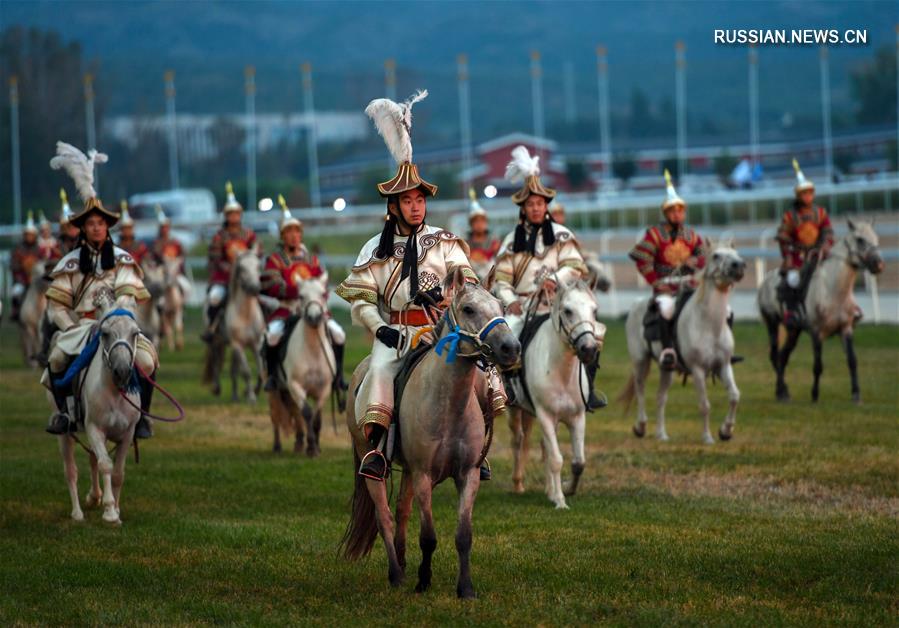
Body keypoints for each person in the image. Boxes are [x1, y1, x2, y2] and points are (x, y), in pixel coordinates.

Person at [335, 90, 491, 481]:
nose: (416, 206)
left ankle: (478, 450)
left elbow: (466, 277)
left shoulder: (445, 241)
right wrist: (380, 328)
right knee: (382, 373)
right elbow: (362, 301)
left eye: (420, 200)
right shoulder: (374, 248)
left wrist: (450, 292)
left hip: (442, 330)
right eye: (408, 201)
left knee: (486, 375)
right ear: (394, 206)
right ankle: (377, 452)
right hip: (397, 333)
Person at [43, 141, 157, 438]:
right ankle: (65, 414)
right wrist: (69, 327)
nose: (96, 228)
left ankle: (141, 416)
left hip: (118, 325)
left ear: (108, 227)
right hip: (82, 328)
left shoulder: (122, 260)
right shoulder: (69, 263)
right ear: (83, 228)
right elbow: (56, 306)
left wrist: (115, 317)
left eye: (101, 223)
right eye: (91, 224)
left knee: (147, 359)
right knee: (56, 359)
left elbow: (129, 295)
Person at [490, 146, 604, 410]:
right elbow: (501, 280)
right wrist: (511, 300)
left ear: (546, 205)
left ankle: (589, 390)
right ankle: (510, 390)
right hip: (525, 306)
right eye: (531, 204)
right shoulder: (511, 242)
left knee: (592, 335)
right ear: (523, 208)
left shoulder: (562, 235)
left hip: (560, 304)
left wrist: (555, 278)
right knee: (509, 340)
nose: (536, 208)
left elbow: (576, 265)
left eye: (540, 203)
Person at [261, 195, 348, 400]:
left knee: (339, 335)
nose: (293, 236)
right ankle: (273, 376)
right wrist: (297, 291)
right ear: (282, 236)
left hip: (314, 308)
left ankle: (338, 377)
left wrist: (314, 295)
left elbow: (323, 286)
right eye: (289, 232)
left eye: (297, 231)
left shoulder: (312, 260)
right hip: (287, 309)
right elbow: (271, 286)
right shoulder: (275, 260)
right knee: (271, 336)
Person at [629, 170, 707, 371]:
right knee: (666, 309)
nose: (677, 214)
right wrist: (656, 282)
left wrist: (695, 262)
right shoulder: (654, 235)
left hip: (690, 285)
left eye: (680, 210)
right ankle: (667, 351)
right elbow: (642, 259)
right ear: (666, 213)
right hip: (666, 288)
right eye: (672, 211)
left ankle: (716, 349)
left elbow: (704, 257)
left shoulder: (692, 236)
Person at [775, 159, 834, 329]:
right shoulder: (790, 216)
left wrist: (825, 246)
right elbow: (783, 237)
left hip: (819, 255)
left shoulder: (821, 213)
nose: (808, 196)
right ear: (798, 196)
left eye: (810, 193)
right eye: (804, 194)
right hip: (798, 257)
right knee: (793, 280)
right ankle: (791, 311)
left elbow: (828, 232)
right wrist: (787, 257)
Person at [202, 181, 258, 342]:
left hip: (245, 277)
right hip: (224, 277)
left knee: (261, 298)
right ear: (226, 216)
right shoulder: (219, 237)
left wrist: (251, 264)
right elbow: (215, 258)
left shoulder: (248, 235)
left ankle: (262, 328)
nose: (234, 217)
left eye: (237, 213)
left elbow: (257, 251)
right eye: (231, 214)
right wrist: (229, 268)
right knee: (215, 298)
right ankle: (212, 328)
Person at [10, 211, 41, 322]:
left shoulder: (39, 248)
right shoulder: (19, 249)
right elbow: (13, 265)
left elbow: (42, 261)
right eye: (27, 234)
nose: (29, 237)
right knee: (16, 291)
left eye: (31, 235)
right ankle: (15, 311)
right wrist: (23, 267)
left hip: (37, 279)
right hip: (22, 278)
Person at [465, 188, 501, 284]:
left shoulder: (495, 243)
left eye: (482, 221)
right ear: (471, 224)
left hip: (492, 283)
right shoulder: (465, 244)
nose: (479, 224)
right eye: (476, 221)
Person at [116, 201, 150, 266]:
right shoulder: (116, 249)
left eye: (129, 228)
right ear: (121, 230)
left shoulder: (141, 248)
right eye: (125, 228)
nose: (127, 231)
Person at [57, 189, 81, 256]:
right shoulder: (57, 246)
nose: (73, 229)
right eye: (69, 226)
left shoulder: (83, 242)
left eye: (74, 225)